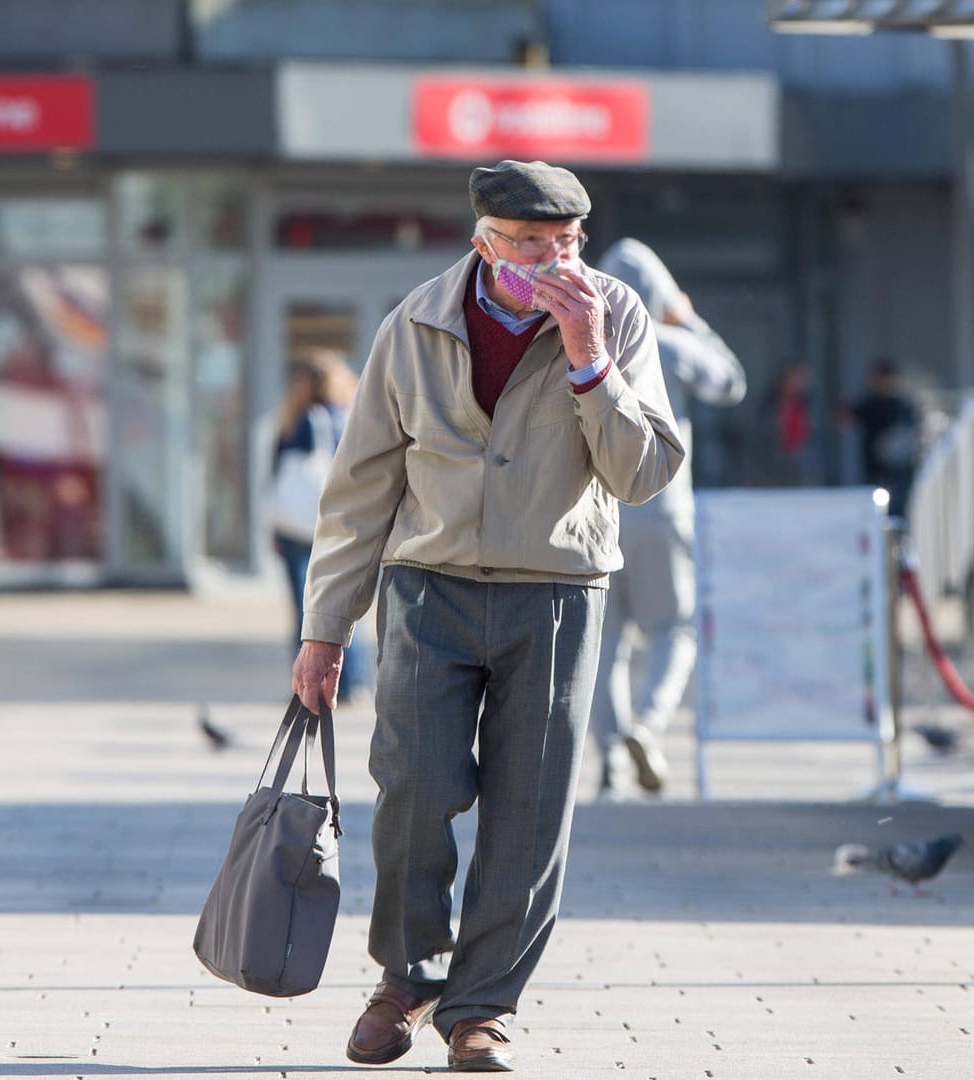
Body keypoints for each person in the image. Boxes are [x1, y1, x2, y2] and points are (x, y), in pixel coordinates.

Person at [292, 160, 682, 1072]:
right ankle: (406, 976)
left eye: (568, 242)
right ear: (485, 242)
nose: (555, 259)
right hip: (428, 587)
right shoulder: (417, 322)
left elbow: (645, 473)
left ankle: (481, 1010)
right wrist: (325, 626)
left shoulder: (616, 315)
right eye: (532, 245)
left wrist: (591, 362)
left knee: (530, 810)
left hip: (555, 592)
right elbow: (359, 489)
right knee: (414, 788)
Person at [590, 239, 747, 798]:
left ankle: (608, 756)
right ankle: (648, 725)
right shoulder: (668, 340)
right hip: (661, 503)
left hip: (598, 510)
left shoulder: (584, 337)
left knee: (604, 641)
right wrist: (687, 317)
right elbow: (730, 382)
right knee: (674, 628)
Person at [270, 351, 367, 704]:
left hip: (299, 528)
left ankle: (307, 681)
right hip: (336, 525)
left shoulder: (304, 422)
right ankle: (352, 680)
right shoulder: (348, 417)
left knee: (306, 609)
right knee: (341, 605)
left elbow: (280, 477)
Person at [844, 358, 920, 511]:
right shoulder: (870, 403)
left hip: (899, 473)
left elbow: (913, 433)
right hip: (875, 474)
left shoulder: (901, 406)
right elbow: (843, 418)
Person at [751, 362, 820, 486]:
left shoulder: (811, 407)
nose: (795, 384)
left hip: (804, 473)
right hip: (772, 473)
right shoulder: (768, 408)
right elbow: (759, 442)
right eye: (791, 379)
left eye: (799, 380)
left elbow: (816, 440)